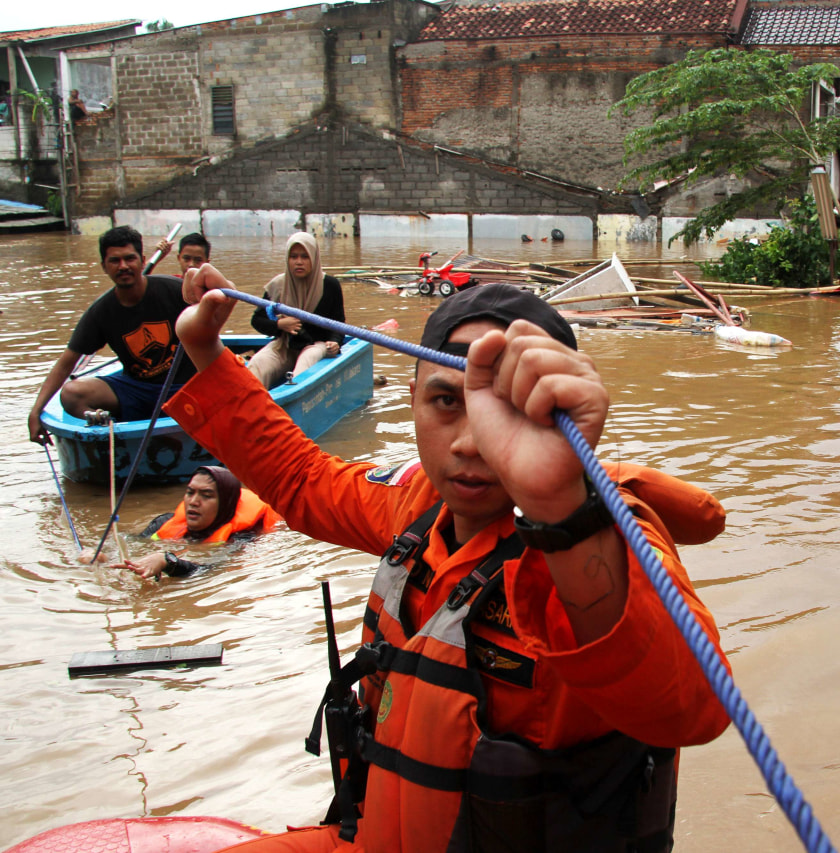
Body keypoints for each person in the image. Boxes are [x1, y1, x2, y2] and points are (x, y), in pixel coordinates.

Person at [164, 272, 731, 852]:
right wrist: (205, 353)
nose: (471, 442)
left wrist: (561, 508)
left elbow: (692, 710)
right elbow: (303, 479)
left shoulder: (602, 532)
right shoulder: (417, 504)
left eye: (508, 411)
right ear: (411, 402)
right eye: (445, 402)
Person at [28, 225, 196, 444]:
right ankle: (113, 431)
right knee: (71, 393)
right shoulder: (101, 312)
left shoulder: (175, 290)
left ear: (142, 260)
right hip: (138, 389)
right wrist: (36, 410)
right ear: (104, 267)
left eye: (129, 259)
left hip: (186, 386)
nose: (123, 266)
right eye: (115, 261)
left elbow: (213, 322)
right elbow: (66, 363)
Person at [115, 465, 283, 579]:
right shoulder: (164, 522)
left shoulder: (241, 539)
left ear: (226, 503)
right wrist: (100, 558)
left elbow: (210, 572)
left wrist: (167, 561)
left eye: (206, 495)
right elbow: (127, 543)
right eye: (190, 492)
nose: (194, 501)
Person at [247, 233, 345, 388]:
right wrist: (280, 324)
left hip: (316, 345)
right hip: (285, 345)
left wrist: (335, 342)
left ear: (314, 258)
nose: (299, 262)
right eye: (293, 257)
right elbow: (257, 320)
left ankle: (293, 401)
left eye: (305, 257)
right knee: (257, 364)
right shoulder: (278, 285)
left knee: (306, 363)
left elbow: (338, 323)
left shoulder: (329, 285)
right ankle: (252, 406)